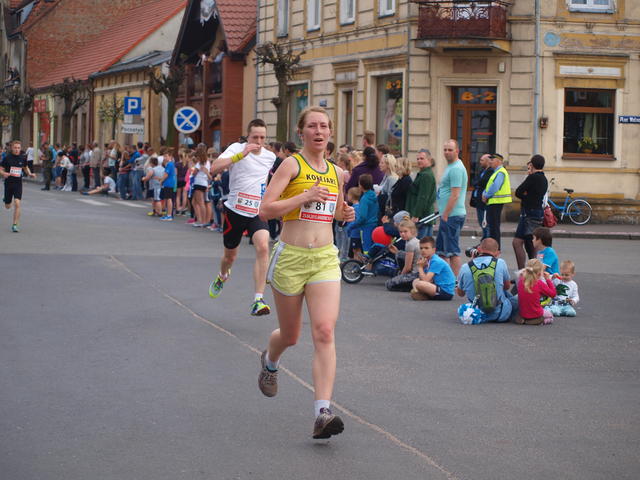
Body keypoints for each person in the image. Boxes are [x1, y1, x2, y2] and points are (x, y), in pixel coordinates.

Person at [257, 106, 354, 439]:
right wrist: (304, 196)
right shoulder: (291, 165)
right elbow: (266, 209)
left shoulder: (337, 173)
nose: (319, 131)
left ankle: (322, 413)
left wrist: (346, 213)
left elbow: (336, 213)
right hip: (291, 257)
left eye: (324, 126)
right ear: (302, 132)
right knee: (291, 335)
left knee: (324, 331)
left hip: (324, 258)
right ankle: (270, 361)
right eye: (312, 126)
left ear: (330, 132)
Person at [209, 118, 276, 316]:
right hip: (235, 211)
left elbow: (268, 179)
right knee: (230, 256)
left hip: (256, 211)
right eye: (255, 137)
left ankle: (258, 300)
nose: (259, 141)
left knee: (263, 246)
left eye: (262, 137)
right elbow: (214, 168)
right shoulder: (236, 148)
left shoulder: (270, 157)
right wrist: (240, 155)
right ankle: (222, 275)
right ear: (248, 136)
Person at [456, 238, 517, 324]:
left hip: (476, 314)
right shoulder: (500, 263)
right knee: (512, 295)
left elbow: (460, 293)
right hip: (501, 315)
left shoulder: (465, 267)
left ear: (478, 249)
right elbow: (507, 286)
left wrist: (472, 262)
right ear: (497, 253)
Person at [436, 139, 468, 276]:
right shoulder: (451, 166)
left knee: (452, 251)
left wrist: (445, 214)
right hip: (448, 214)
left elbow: (455, 195)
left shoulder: (456, 169)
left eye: (450, 150)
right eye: (445, 150)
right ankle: (446, 277)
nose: (447, 152)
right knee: (442, 251)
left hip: (452, 215)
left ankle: (456, 281)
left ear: (457, 151)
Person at [513, 154, 548, 269]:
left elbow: (518, 192)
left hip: (529, 213)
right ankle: (531, 271)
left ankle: (525, 272)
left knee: (520, 243)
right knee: (530, 244)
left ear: (532, 165)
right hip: (537, 212)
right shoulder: (544, 178)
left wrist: (526, 196)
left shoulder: (533, 177)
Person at [1, 140, 36, 232]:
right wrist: (3, 173)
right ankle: (6, 199)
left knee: (17, 203)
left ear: (20, 148)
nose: (17, 150)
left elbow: (25, 167)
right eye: (15, 148)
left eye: (18, 148)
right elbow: (1, 169)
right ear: (12, 148)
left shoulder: (23, 158)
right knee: (8, 206)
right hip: (8, 184)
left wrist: (30, 174)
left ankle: (15, 224)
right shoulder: (7, 158)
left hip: (18, 184)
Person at [410, 236, 455, 301]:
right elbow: (424, 278)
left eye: (426, 248)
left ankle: (425, 295)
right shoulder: (427, 260)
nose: (423, 250)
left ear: (434, 250)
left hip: (445, 292)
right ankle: (424, 294)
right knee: (416, 281)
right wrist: (423, 268)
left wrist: (420, 267)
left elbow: (425, 280)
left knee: (419, 284)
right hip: (435, 285)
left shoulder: (436, 261)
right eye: (421, 248)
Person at [482, 153, 511, 249]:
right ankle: (494, 247)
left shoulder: (500, 172)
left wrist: (486, 195)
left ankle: (495, 248)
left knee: (494, 227)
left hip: (496, 202)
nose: (490, 162)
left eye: (492, 160)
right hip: (494, 202)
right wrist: (485, 193)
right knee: (493, 227)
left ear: (498, 161)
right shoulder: (497, 171)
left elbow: (495, 186)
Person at [405, 148, 436, 238]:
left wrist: (416, 215)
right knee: (425, 243)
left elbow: (423, 197)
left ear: (429, 160)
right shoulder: (424, 173)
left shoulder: (426, 175)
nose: (419, 161)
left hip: (422, 217)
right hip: (424, 216)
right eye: (418, 159)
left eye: (422, 158)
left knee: (420, 244)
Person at [515, 258, 556, 325]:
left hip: (522, 313)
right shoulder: (539, 283)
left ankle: (524, 319)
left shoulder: (521, 280)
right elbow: (553, 294)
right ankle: (541, 320)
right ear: (539, 273)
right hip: (536, 314)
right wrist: (548, 280)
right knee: (550, 315)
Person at [345, 173, 378, 254]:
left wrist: (351, 226)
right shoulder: (373, 195)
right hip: (374, 225)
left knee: (366, 250)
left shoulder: (364, 199)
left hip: (366, 227)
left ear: (361, 185)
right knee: (371, 249)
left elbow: (362, 217)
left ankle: (366, 262)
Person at [385, 219, 420, 291]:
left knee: (388, 284)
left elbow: (408, 267)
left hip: (416, 274)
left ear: (412, 231)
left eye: (405, 231)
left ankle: (412, 286)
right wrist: (397, 252)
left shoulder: (410, 244)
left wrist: (400, 276)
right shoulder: (415, 240)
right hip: (420, 272)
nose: (402, 234)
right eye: (401, 232)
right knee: (399, 254)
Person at [470, 153, 493, 240]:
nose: (480, 162)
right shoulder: (482, 171)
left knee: (485, 222)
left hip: (484, 201)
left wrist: (478, 183)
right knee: (481, 222)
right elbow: (474, 181)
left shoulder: (490, 171)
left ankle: (487, 240)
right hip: (478, 200)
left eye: (482, 160)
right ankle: (484, 240)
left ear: (487, 161)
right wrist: (477, 183)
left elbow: (482, 182)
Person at [159, 151, 177, 221]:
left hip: (169, 183)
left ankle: (169, 215)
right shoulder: (170, 164)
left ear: (170, 157)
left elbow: (166, 174)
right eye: (164, 156)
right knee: (167, 198)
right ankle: (168, 214)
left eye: (166, 156)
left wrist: (161, 181)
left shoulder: (169, 164)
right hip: (168, 183)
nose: (164, 157)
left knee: (169, 199)